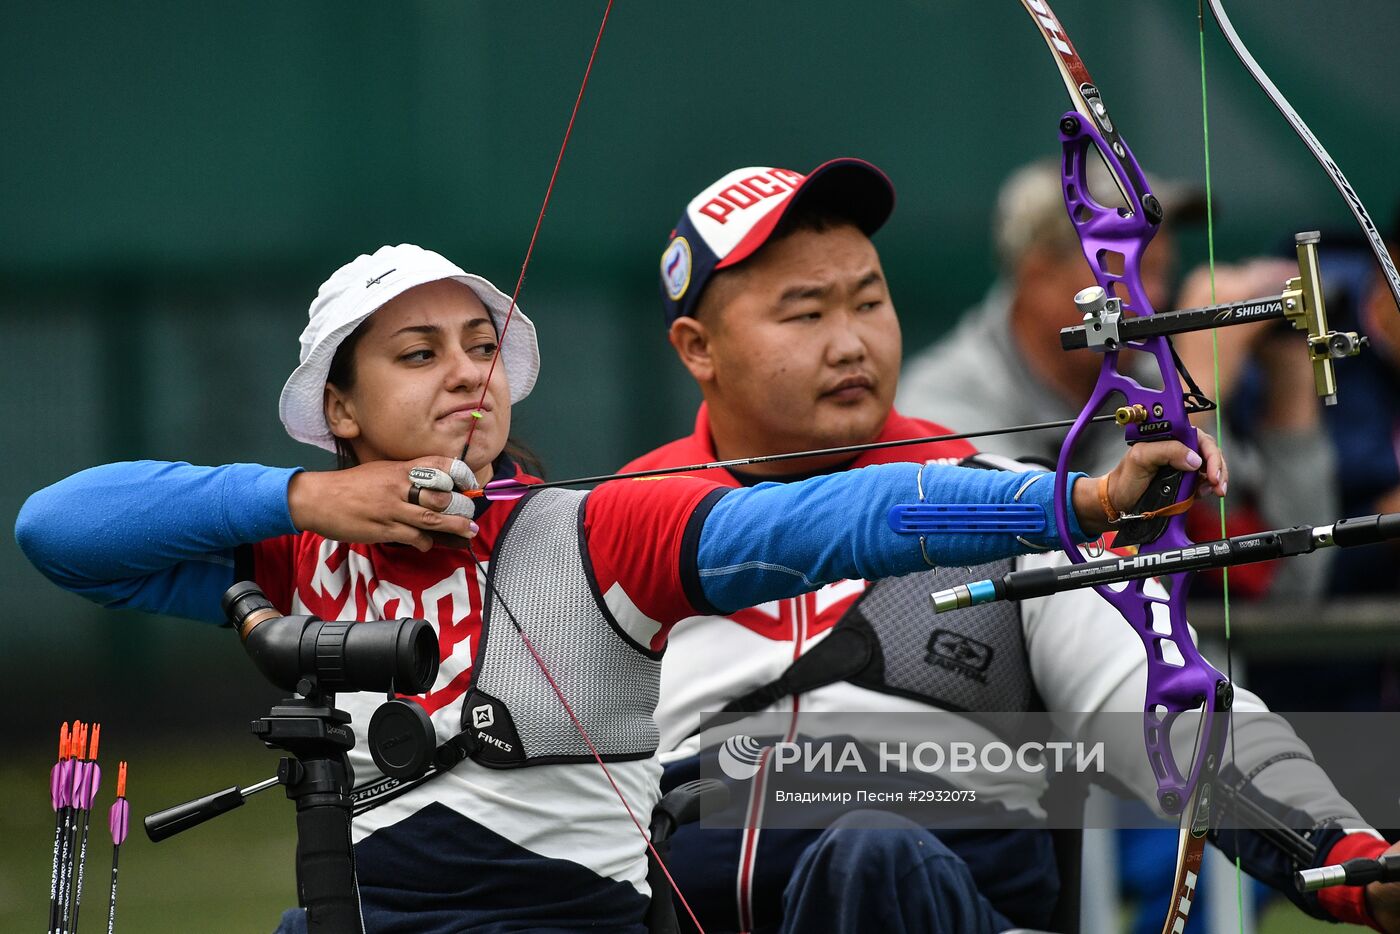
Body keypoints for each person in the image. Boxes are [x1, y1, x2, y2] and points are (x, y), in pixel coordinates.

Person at [13, 243, 1201, 933]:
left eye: (480, 348)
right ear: (340, 406)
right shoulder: (287, 554)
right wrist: (302, 502)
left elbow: (838, 515)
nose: (468, 376)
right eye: (417, 356)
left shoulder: (594, 529)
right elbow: (57, 529)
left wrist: (1075, 505)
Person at [631, 158, 1399, 933]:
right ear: (699, 348)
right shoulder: (613, 531)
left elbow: (1173, 706)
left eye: (869, 301)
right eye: (805, 315)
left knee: (871, 858)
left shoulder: (1012, 501)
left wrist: (1345, 858)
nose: (850, 344)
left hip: (950, 900)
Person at [897, 157, 1338, 602]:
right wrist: (1193, 387)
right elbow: (1068, 581)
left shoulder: (1146, 370)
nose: (1159, 298)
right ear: (1040, 278)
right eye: (1134, 274)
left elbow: (1292, 589)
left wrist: (1289, 391)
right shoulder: (942, 402)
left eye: (1161, 272)